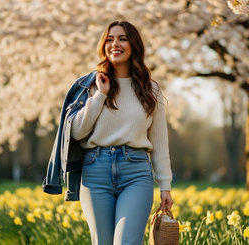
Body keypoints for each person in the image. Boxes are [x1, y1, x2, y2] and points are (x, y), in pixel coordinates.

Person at [68, 20, 174, 245]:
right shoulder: (92, 85)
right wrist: (100, 96)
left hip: (135, 173)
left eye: (122, 38)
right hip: (95, 173)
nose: (115, 44)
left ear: (134, 44)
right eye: (110, 39)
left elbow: (160, 143)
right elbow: (76, 132)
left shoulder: (150, 89)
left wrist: (165, 186)